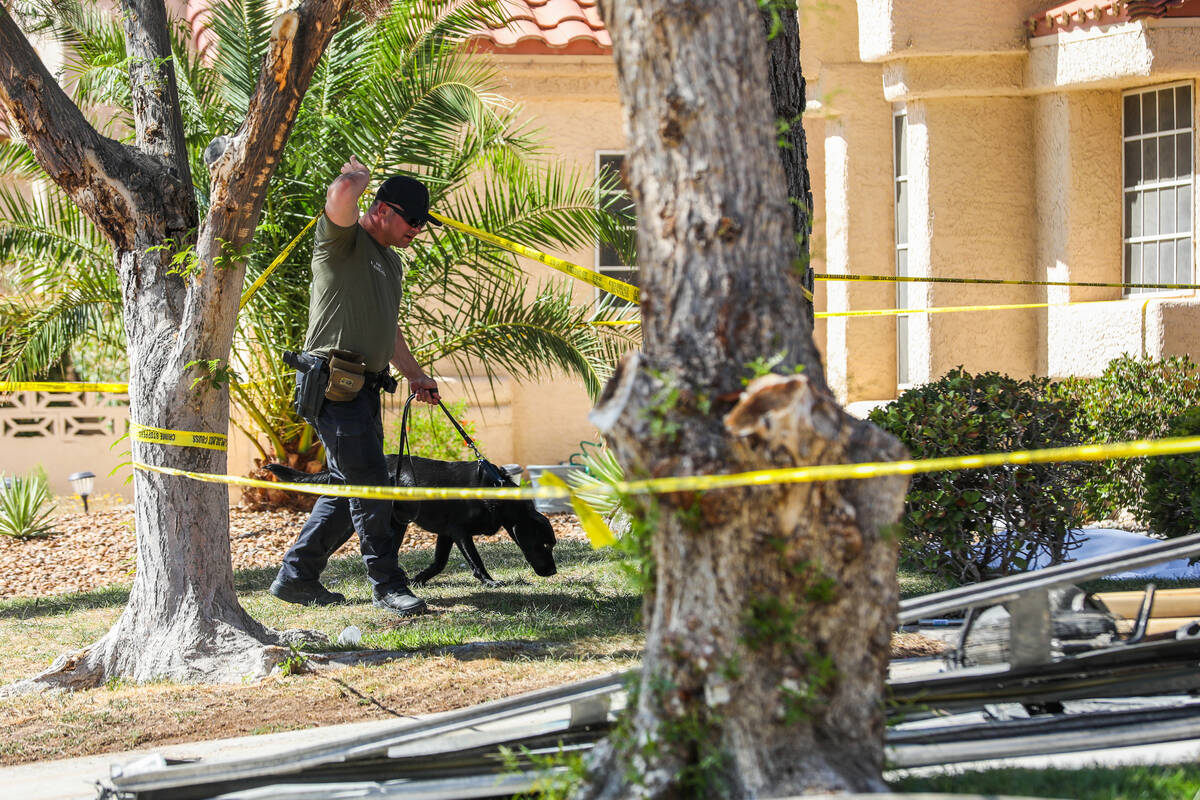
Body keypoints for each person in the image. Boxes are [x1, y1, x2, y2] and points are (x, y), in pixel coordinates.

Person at [270, 155, 441, 616]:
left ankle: (296, 577)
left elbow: (389, 328)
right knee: (369, 484)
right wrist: (355, 179)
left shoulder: (392, 263)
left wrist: (413, 373)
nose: (417, 231)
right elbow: (341, 197)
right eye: (412, 221)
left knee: (351, 485)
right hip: (332, 386)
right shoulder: (341, 243)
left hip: (364, 389)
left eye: (423, 224)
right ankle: (387, 585)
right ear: (383, 209)